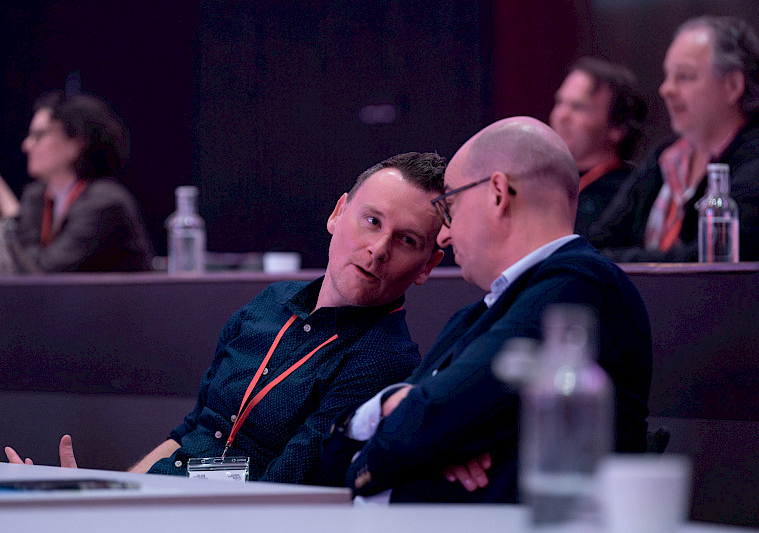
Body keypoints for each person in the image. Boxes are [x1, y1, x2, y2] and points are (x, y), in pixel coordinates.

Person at [5, 151, 447, 485]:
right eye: (372, 221)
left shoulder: (383, 360)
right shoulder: (270, 303)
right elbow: (190, 432)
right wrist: (111, 494)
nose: (378, 249)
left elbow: (280, 493)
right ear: (338, 214)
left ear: (427, 266)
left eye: (406, 240)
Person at [321, 117, 652, 503]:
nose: (444, 234)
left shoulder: (580, 286)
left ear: (497, 193)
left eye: (450, 206)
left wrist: (417, 430)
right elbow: (345, 456)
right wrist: (387, 410)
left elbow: (435, 420)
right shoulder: (473, 316)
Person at [588, 15, 759, 262]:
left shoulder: (753, 163)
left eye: (684, 76)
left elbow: (705, 261)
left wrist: (622, 262)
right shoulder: (666, 155)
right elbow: (597, 244)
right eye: (667, 76)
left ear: (732, 86)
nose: (666, 89)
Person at [0, 90, 153, 273]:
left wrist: (8, 208)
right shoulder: (37, 197)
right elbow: (18, 267)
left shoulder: (105, 203)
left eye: (38, 135)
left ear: (76, 142)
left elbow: (42, 277)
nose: (26, 145)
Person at [549, 56, 647, 237]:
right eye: (560, 102)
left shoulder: (630, 194)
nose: (561, 115)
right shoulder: (543, 182)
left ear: (618, 127)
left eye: (578, 107)